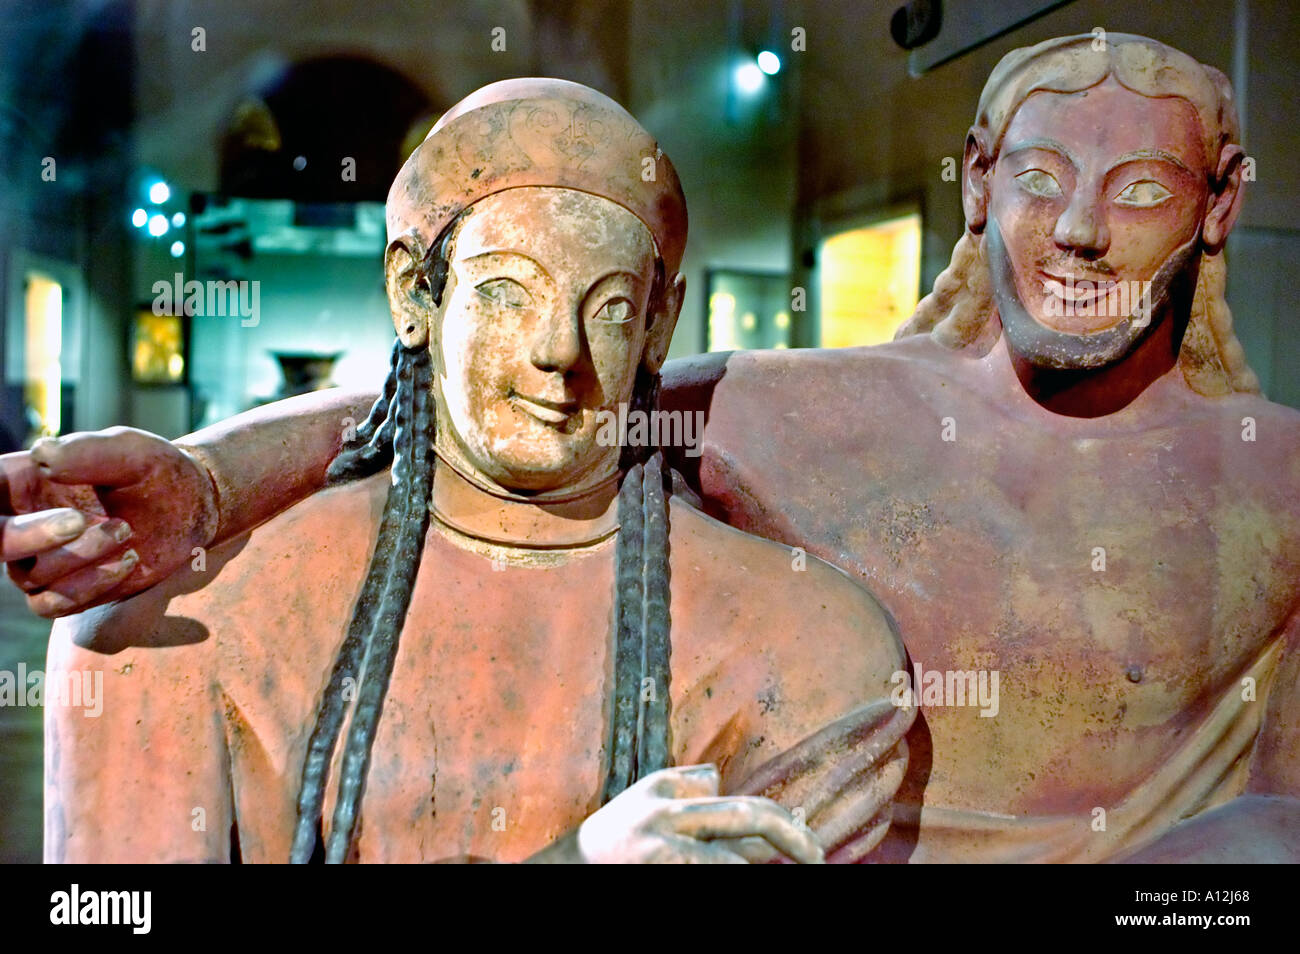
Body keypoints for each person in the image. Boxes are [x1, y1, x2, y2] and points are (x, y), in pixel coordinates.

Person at [10, 35, 1296, 862]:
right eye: (1037, 175)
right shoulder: (796, 411)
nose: (1077, 230)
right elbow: (492, 420)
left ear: (1220, 202)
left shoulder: (1280, 484)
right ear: (976, 180)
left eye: (1141, 189)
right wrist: (214, 479)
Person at [34, 79, 911, 864]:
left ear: (657, 324)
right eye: (505, 291)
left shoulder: (810, 648)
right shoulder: (173, 635)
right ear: (415, 295)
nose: (557, 350)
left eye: (607, 306)